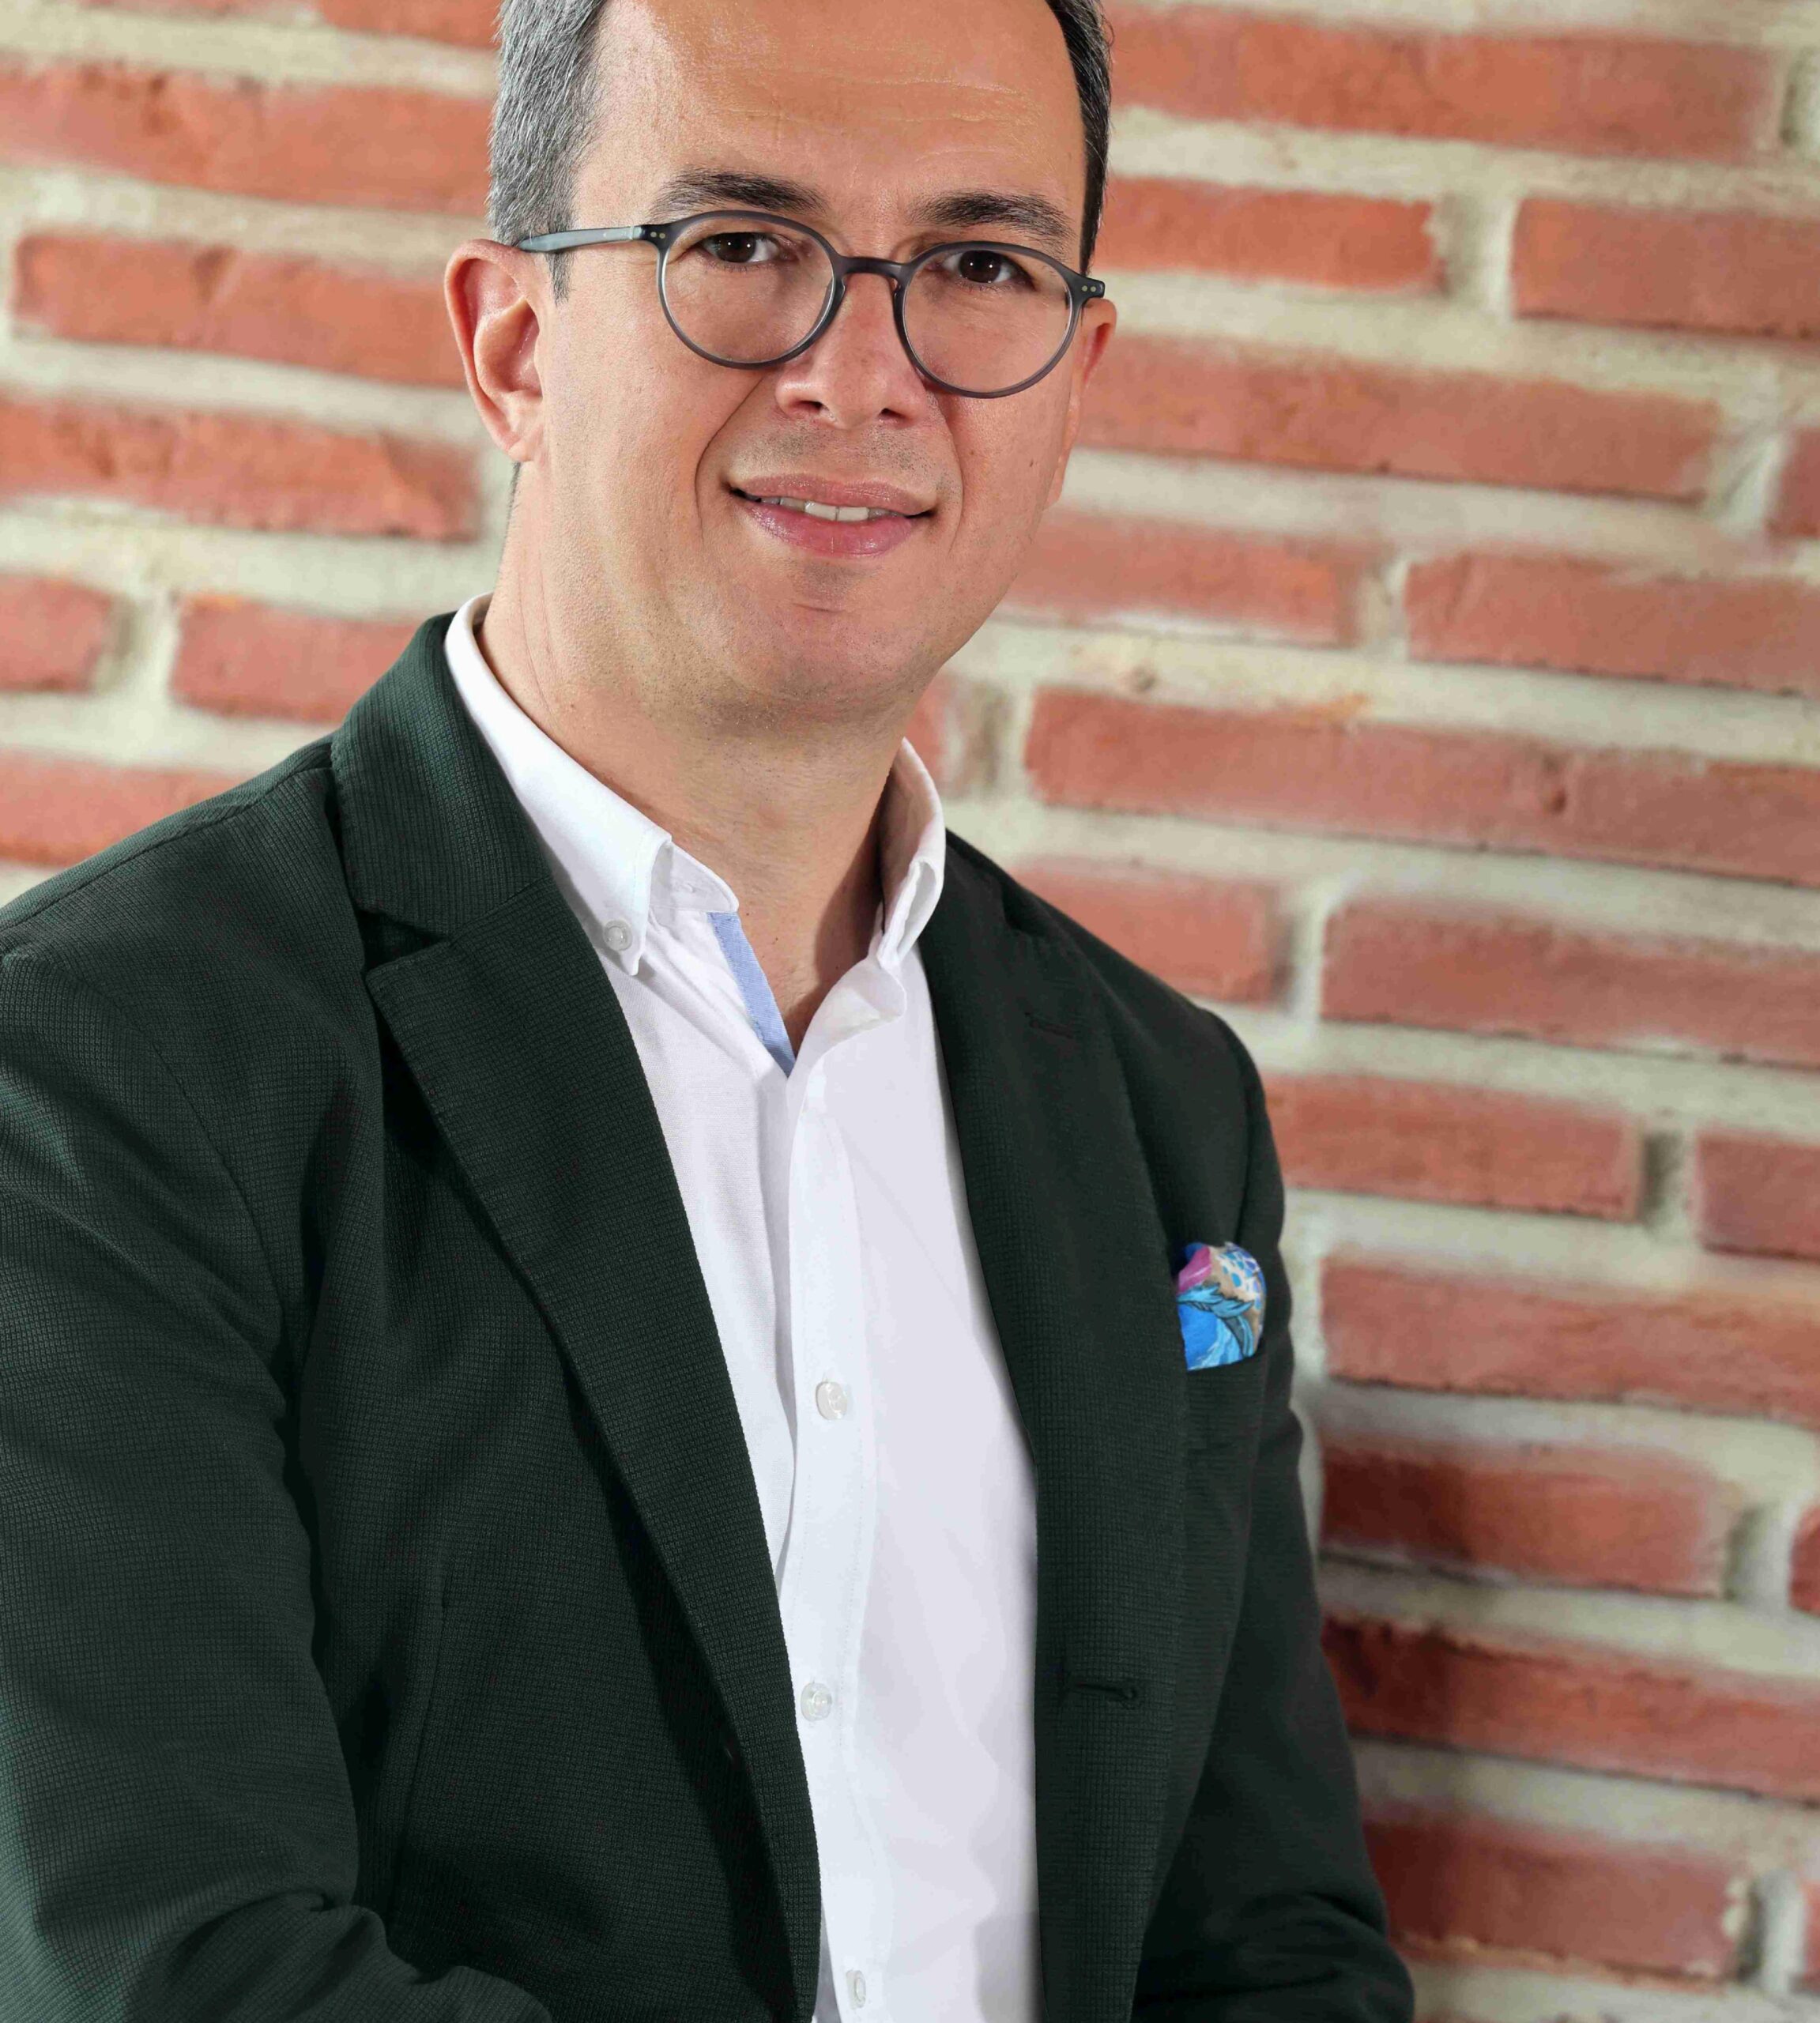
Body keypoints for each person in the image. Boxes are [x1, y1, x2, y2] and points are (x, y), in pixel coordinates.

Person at [0, 0, 1415, 2016]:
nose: (863, 373)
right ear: (516, 341)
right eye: (742, 244)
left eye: (979, 266)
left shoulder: (1161, 1108)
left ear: (1073, 375)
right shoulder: (101, 1070)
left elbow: (1270, 1943)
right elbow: (181, 1970)